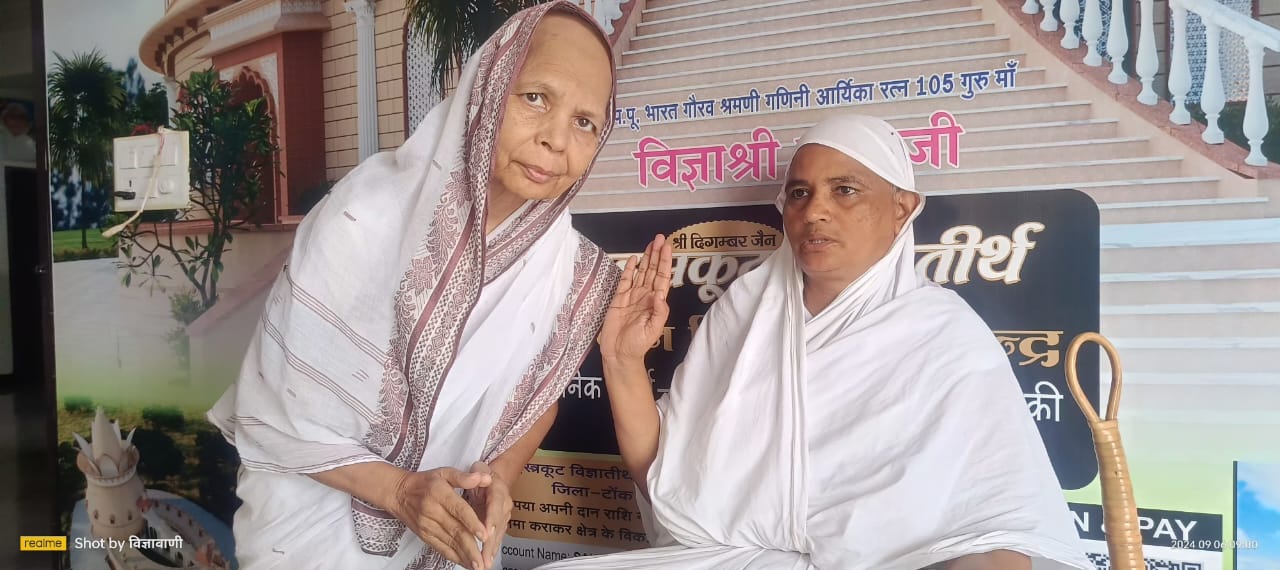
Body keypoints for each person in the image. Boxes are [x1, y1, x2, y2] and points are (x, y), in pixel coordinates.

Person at [539, 114, 1093, 570]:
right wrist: (621, 358)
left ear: (902, 209)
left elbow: (998, 529)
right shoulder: (744, 310)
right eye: (799, 193)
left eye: (844, 190)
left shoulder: (943, 332)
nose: (814, 211)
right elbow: (664, 481)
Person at [206, 3, 638, 569]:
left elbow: (536, 402)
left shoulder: (571, 270)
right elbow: (274, 409)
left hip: (448, 546)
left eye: (585, 122)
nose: (557, 139)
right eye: (535, 98)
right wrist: (400, 491)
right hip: (309, 538)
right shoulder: (365, 216)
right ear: (488, 89)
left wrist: (497, 480)